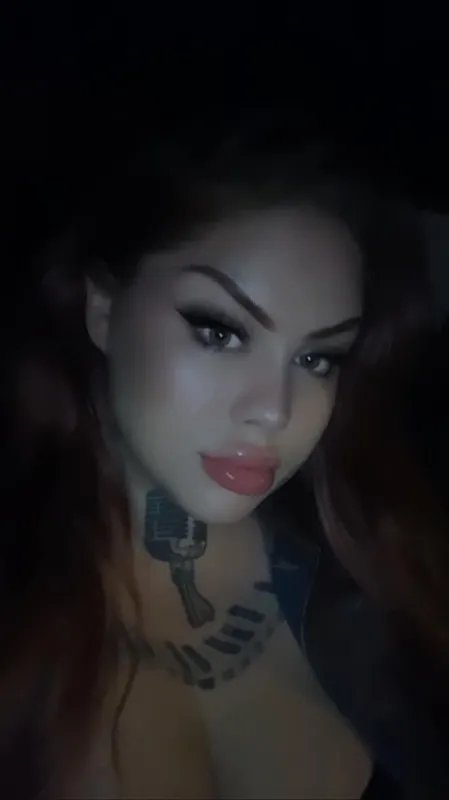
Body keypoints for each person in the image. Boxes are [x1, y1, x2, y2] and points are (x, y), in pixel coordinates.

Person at [2, 118, 449, 799]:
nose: (274, 411)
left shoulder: (383, 560)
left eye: (317, 359)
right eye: (219, 332)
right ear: (103, 310)